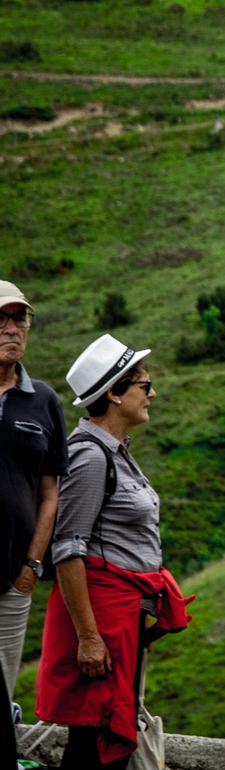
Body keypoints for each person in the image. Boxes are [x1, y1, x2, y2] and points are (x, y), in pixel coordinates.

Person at [37, 334, 192, 770]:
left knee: (104, 744)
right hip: (102, 621)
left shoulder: (114, 453)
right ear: (115, 394)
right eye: (144, 384)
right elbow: (68, 547)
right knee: (95, 747)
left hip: (120, 621)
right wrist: (88, 637)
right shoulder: (89, 457)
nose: (153, 393)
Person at [0, 281, 65, 706]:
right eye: (0, 320)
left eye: (19, 318)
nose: (11, 329)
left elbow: (51, 493)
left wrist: (32, 566)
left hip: (12, 577)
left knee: (3, 687)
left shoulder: (43, 401)